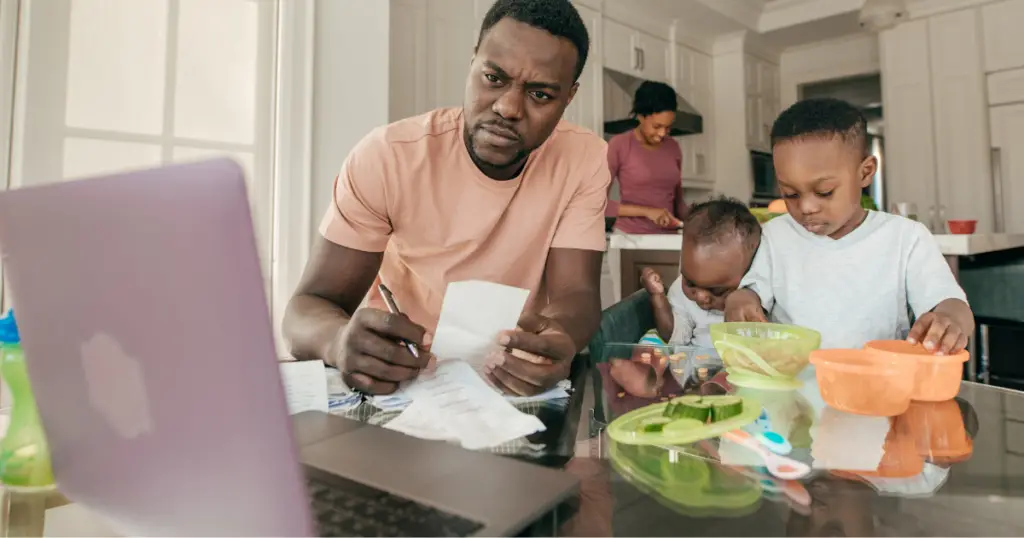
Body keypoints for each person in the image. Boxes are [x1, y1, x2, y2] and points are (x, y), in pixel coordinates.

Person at [283, 0, 609, 396]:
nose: (508, 107)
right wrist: (337, 341)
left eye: (540, 95)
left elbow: (576, 294)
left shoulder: (585, 159)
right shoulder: (388, 156)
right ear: (473, 61)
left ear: (569, 97)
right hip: (400, 378)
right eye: (493, 77)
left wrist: (561, 339)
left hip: (512, 381)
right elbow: (307, 308)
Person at [725, 98, 975, 353]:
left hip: (877, 384)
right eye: (790, 194)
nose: (807, 207)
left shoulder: (905, 237)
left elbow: (951, 303)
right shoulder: (775, 236)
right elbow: (752, 293)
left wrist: (950, 320)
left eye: (824, 192)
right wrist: (741, 299)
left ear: (865, 172)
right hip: (793, 387)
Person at [641, 197, 761, 347]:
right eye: (690, 283)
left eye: (717, 290)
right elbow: (673, 336)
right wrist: (657, 297)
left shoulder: (757, 294)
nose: (701, 296)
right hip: (698, 368)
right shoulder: (680, 290)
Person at [606, 81, 687, 233]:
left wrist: (700, 218)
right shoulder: (619, 145)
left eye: (668, 127)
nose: (662, 133)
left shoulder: (673, 147)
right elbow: (598, 204)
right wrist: (647, 211)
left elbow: (679, 204)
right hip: (631, 238)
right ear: (641, 117)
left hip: (669, 239)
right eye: (657, 127)